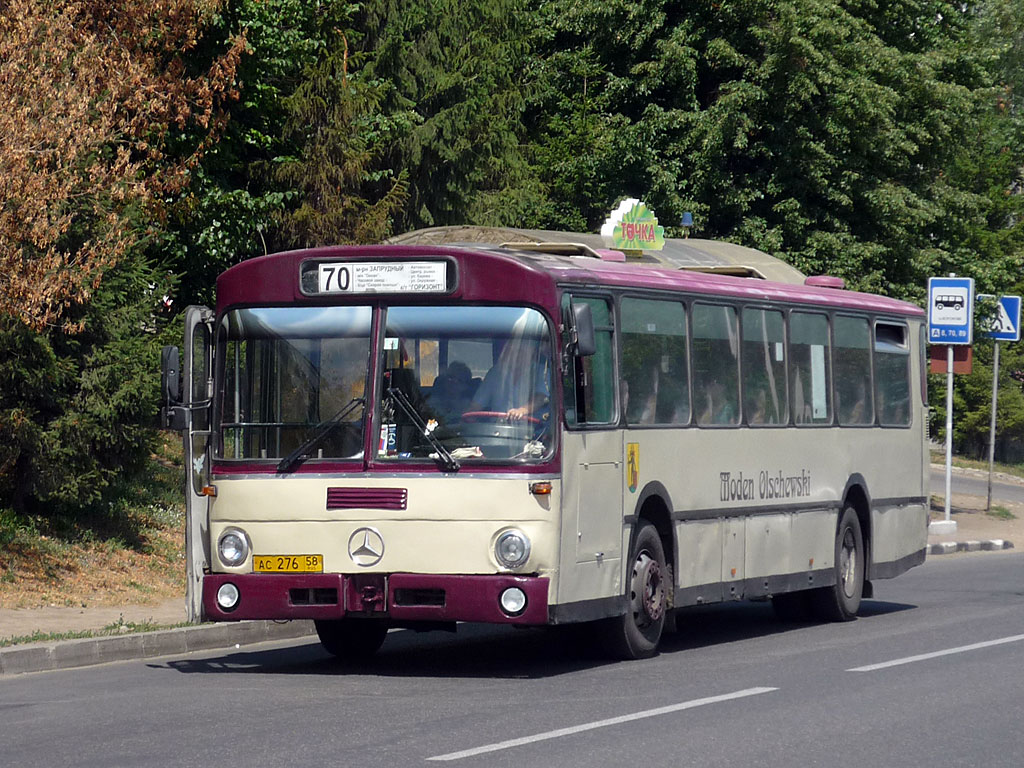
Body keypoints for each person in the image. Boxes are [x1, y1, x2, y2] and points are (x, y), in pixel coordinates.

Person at [468, 338, 549, 423]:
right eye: (514, 348)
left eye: (522, 349)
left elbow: (540, 398)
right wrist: (469, 414)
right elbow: (477, 404)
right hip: (495, 432)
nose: (518, 353)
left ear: (533, 351)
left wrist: (522, 410)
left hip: (532, 432)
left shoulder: (542, 372)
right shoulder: (495, 372)